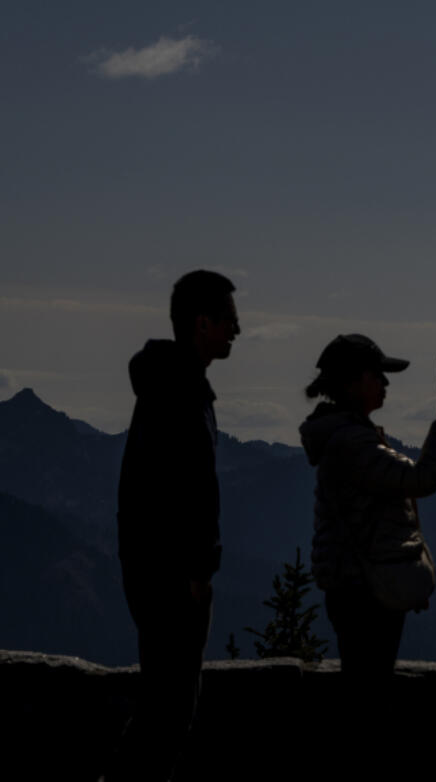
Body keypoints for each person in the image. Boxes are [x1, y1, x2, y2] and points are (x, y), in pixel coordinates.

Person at [298, 334, 436, 770]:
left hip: (356, 587)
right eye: (378, 376)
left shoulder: (351, 439)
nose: (386, 385)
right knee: (369, 704)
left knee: (365, 696)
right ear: (352, 383)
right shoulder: (355, 444)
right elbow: (422, 479)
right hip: (364, 592)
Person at [110, 269, 240, 781]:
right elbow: (187, 488)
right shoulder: (179, 392)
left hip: (154, 569)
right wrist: (197, 569)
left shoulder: (171, 385)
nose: (237, 331)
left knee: (162, 706)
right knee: (169, 710)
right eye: (230, 320)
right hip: (171, 577)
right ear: (202, 323)